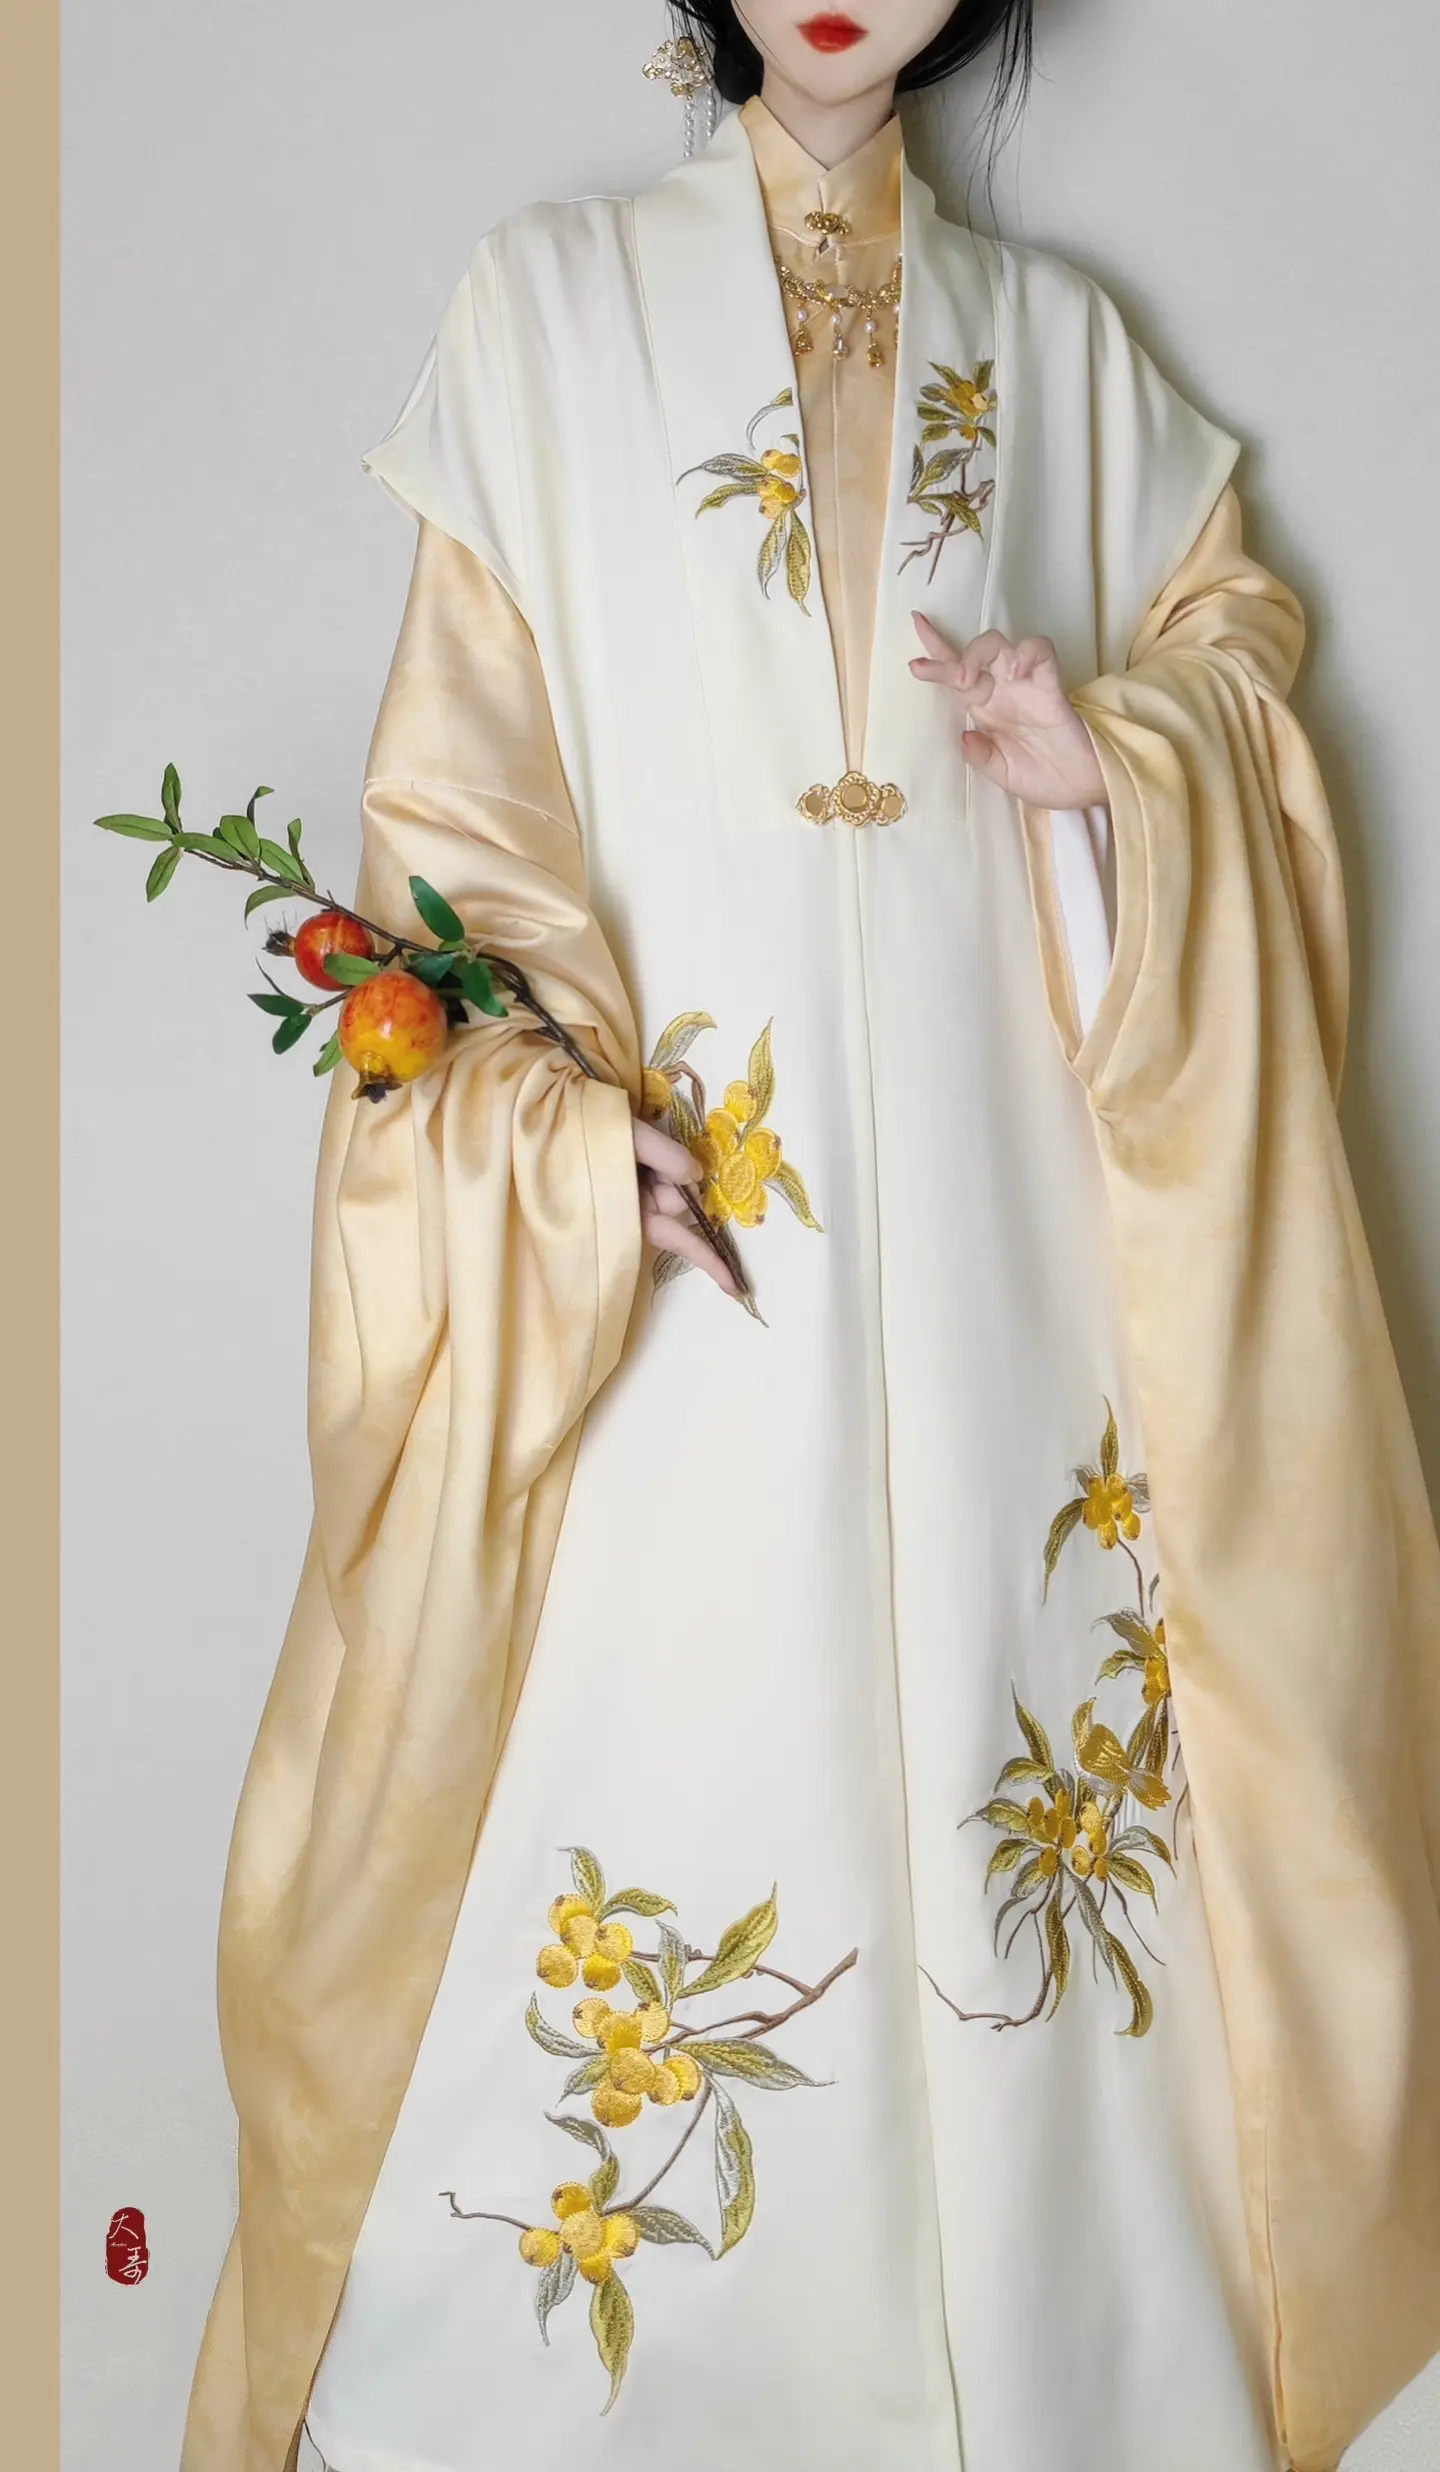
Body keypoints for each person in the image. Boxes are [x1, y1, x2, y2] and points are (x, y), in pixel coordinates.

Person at [182, 7, 1440, 2470]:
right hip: (686, 1279)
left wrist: (1113, 777)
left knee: (1029, 1760)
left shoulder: (1067, 353)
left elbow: (1243, 678)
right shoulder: (549, 311)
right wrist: (555, 1139)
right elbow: (460, 841)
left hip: (1010, 1263)